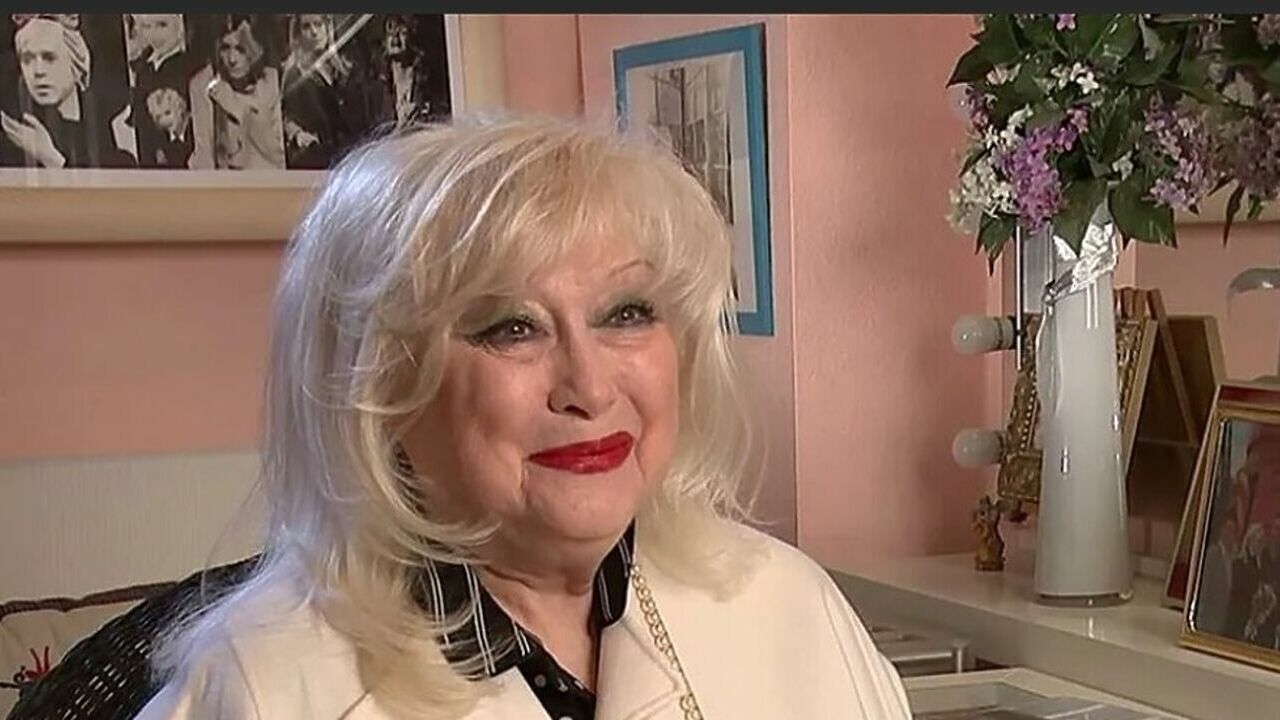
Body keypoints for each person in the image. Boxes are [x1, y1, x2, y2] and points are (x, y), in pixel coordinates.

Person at [135, 116, 911, 719]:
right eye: (512, 328)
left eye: (626, 314)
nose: (589, 387)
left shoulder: (787, 603)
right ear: (382, 388)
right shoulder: (265, 684)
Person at [1, 14, 135, 168]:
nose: (38, 71)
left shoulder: (115, 127)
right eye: (27, 59)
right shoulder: (17, 133)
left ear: (76, 62)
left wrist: (51, 158)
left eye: (49, 58)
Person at [190, 15, 285, 170]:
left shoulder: (270, 81)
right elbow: (204, 154)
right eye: (225, 48)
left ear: (257, 49)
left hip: (262, 176)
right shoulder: (203, 82)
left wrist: (236, 106)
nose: (232, 59)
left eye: (241, 49)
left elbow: (276, 156)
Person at [279, 13, 365, 169]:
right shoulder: (294, 75)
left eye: (318, 24)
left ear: (327, 28)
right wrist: (298, 135)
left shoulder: (343, 70)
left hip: (349, 159)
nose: (314, 32)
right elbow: (285, 117)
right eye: (306, 27)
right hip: (316, 163)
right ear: (298, 34)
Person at [125, 13, 199, 168]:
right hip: (148, 154)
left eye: (162, 25)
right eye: (147, 26)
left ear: (178, 25)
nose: (155, 34)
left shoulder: (188, 67)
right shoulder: (144, 70)